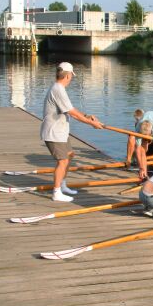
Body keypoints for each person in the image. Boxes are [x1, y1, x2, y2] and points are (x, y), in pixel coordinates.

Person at [40, 62, 104, 202]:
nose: (71, 78)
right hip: (53, 132)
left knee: (69, 155)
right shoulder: (58, 89)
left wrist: (87, 116)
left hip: (60, 132)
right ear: (68, 75)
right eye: (71, 76)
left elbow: (71, 109)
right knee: (63, 161)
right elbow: (72, 113)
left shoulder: (59, 88)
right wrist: (92, 123)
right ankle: (56, 192)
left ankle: (62, 185)